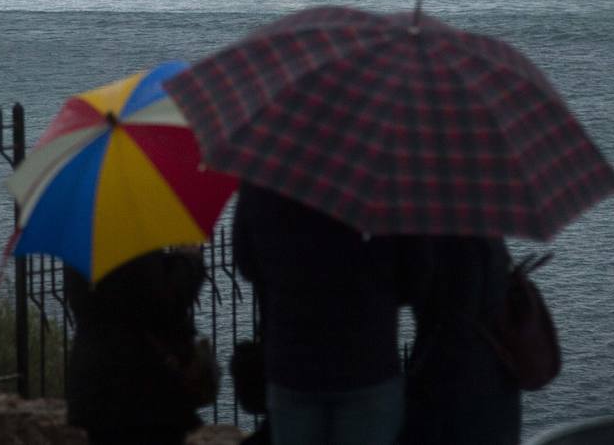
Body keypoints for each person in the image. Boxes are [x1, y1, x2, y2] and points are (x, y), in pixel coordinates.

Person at [233, 183, 411, 445]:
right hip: (367, 361)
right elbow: (414, 278)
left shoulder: (266, 179)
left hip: (292, 362)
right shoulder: (383, 184)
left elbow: (247, 262)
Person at [64, 248, 213, 445]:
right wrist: (189, 261)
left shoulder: (79, 251)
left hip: (94, 388)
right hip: (143, 390)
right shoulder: (132, 246)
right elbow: (162, 302)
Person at [399, 237, 521, 445]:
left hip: (450, 393)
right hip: (498, 384)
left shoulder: (448, 247)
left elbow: (455, 325)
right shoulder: (491, 241)